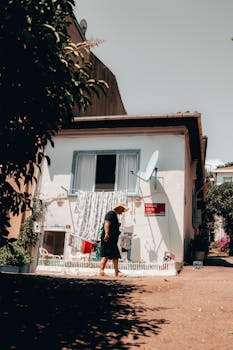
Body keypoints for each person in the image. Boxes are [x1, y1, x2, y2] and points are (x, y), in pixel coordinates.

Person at [99, 203, 129, 277]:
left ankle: (103, 271)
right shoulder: (111, 214)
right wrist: (106, 234)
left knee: (110, 254)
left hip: (111, 239)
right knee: (112, 254)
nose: (122, 212)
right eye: (122, 210)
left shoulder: (114, 215)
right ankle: (115, 272)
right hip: (108, 238)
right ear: (118, 208)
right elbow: (106, 223)